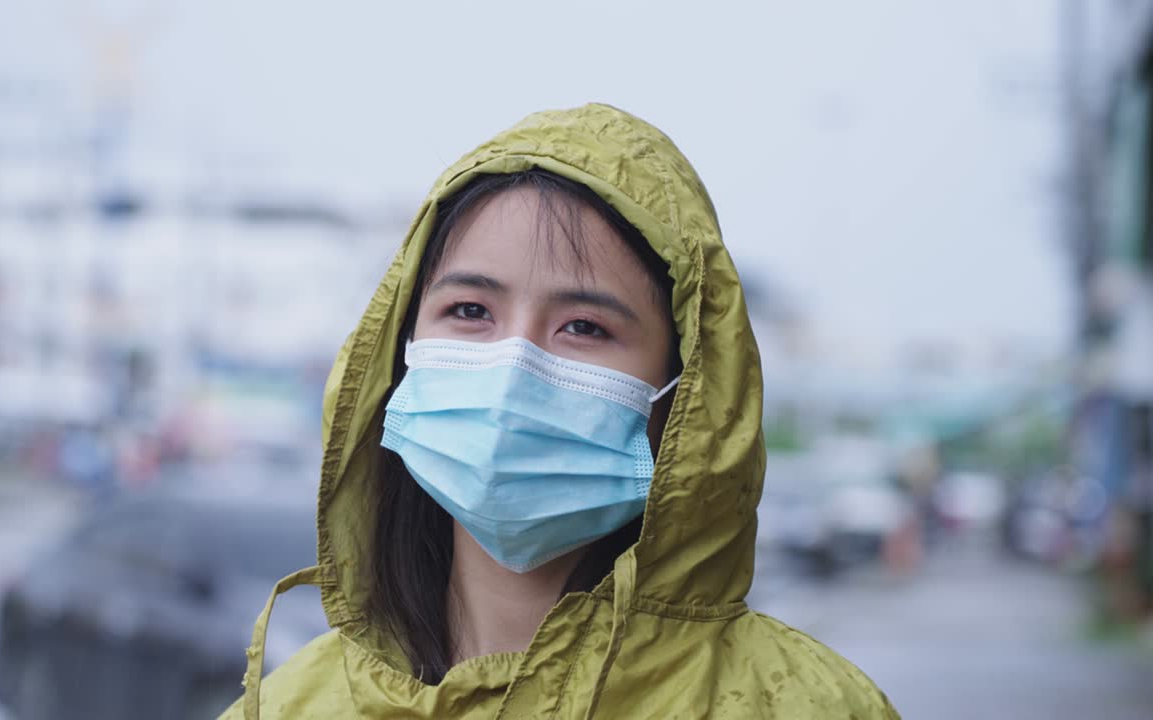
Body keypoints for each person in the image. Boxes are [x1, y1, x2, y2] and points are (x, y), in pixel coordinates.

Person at [220, 103, 898, 719]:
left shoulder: (811, 708)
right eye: (471, 311)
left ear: (686, 396)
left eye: (584, 328)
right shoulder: (287, 709)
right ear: (397, 354)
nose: (515, 366)